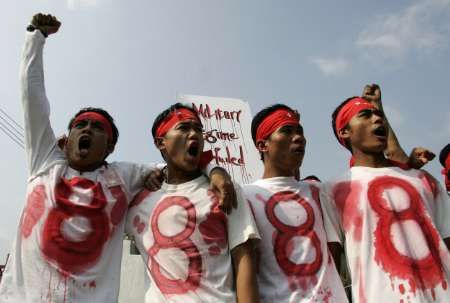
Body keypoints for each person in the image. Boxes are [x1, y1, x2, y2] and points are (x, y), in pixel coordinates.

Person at [0, 14, 235, 302]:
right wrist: (35, 37)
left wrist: (216, 171)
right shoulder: (45, 162)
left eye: (97, 127)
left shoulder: (122, 177)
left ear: (109, 147)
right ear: (66, 138)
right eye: (80, 125)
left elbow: (180, 161)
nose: (87, 129)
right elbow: (32, 97)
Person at [321, 88, 450, 302]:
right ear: (345, 132)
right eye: (365, 115)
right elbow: (331, 263)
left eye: (378, 114)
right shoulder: (333, 190)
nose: (376, 118)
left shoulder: (424, 180)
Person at [125, 103, 260, 303]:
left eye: (198, 129)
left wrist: (215, 170)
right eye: (183, 128)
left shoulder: (224, 191)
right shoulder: (137, 200)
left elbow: (244, 258)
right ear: (161, 142)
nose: (194, 134)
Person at [242, 104, 348, 302]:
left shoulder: (320, 191)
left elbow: (333, 251)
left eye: (300, 131)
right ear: (263, 145)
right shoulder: (245, 196)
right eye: (286, 131)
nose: (299, 137)